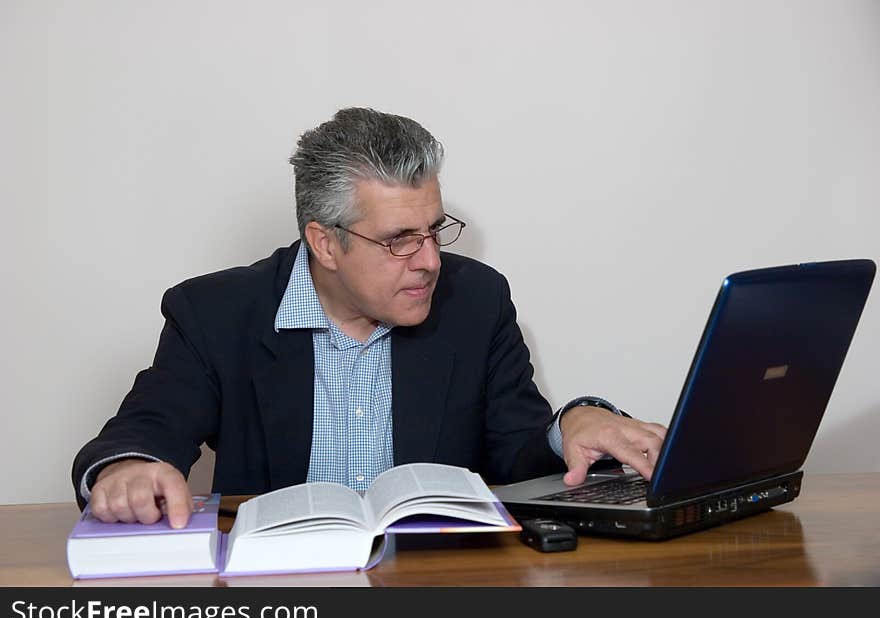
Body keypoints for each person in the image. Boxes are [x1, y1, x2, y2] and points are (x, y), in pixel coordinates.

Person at [72, 107, 666, 528]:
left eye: (434, 230)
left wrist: (575, 423)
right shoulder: (216, 313)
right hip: (279, 594)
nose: (430, 262)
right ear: (325, 243)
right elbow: (148, 427)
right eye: (399, 239)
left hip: (438, 594)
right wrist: (128, 468)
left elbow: (518, 451)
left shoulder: (476, 301)